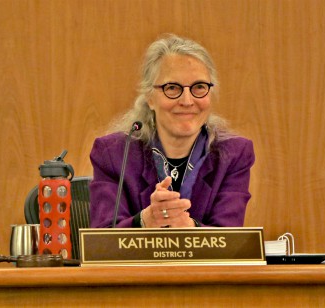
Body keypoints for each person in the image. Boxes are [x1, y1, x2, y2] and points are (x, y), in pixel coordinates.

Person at [89, 34, 255, 228]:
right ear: (149, 98)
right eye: (172, 88)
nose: (186, 101)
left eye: (199, 87)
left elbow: (230, 242)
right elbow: (103, 241)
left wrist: (190, 228)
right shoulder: (114, 154)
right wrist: (144, 222)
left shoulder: (233, 154)